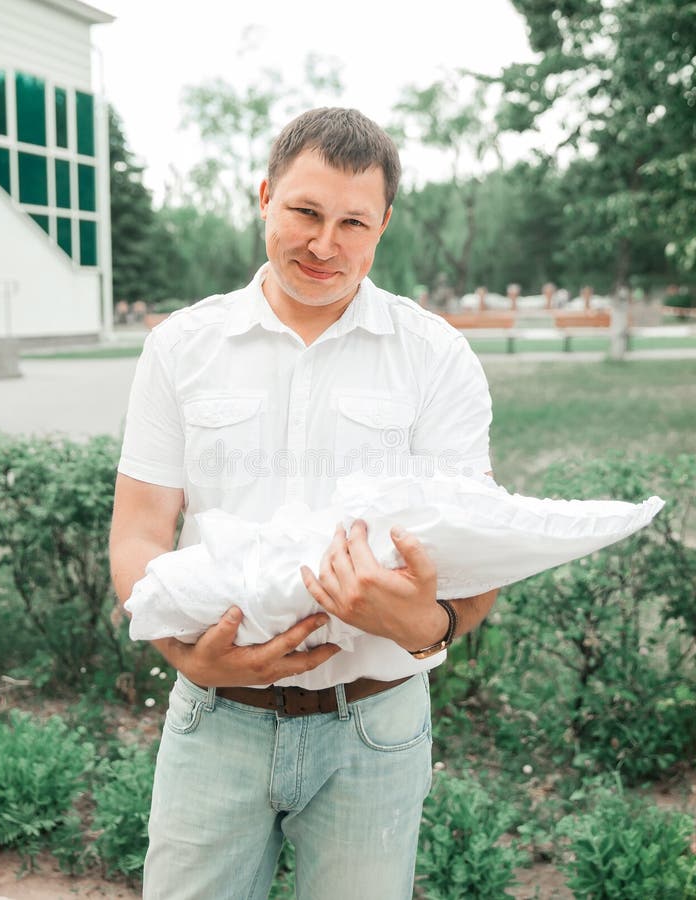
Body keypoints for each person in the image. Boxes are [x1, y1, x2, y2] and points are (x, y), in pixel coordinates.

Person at [109, 107, 498, 900]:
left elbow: (476, 555)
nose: (326, 245)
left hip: (378, 723)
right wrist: (182, 654)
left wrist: (430, 627)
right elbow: (140, 530)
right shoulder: (181, 346)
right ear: (264, 197)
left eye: (353, 221)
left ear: (382, 225)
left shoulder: (437, 358)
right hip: (215, 715)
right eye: (306, 212)